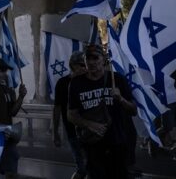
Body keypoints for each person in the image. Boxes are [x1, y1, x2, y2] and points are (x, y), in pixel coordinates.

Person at [67, 44, 137, 179]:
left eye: (95, 58)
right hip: (92, 144)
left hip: (117, 142)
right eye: (88, 58)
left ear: (103, 59)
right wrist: (89, 124)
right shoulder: (76, 83)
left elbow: (133, 110)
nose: (92, 62)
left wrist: (121, 99)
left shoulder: (117, 80)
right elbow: (71, 115)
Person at [52, 52, 88, 179]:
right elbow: (57, 109)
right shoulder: (62, 83)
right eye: (81, 65)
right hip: (73, 131)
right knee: (82, 168)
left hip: (91, 130)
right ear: (72, 65)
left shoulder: (90, 81)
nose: (85, 68)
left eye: (86, 65)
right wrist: (55, 132)